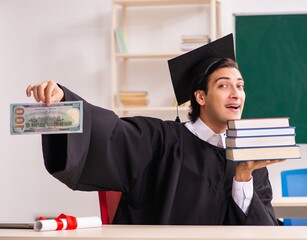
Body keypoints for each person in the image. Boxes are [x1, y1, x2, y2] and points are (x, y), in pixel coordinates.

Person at [26, 34, 282, 225]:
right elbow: (108, 134)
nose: (236, 93)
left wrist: (243, 177)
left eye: (240, 85)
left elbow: (264, 230)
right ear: (200, 97)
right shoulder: (160, 140)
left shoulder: (249, 159)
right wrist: (63, 103)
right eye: (224, 85)